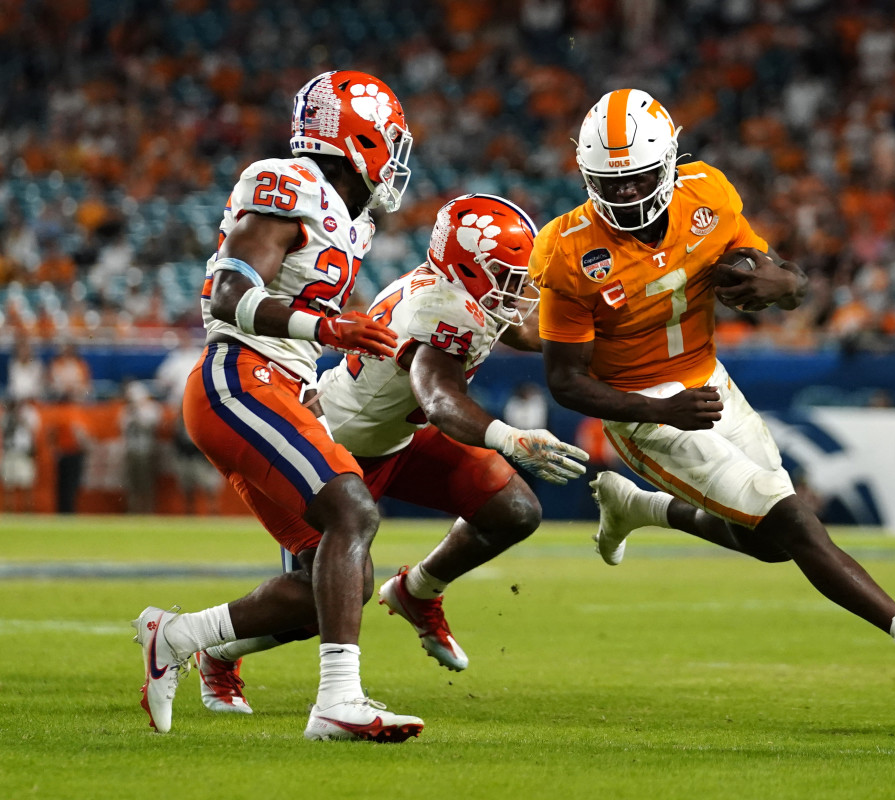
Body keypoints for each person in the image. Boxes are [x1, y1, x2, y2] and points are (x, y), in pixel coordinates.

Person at [530, 89, 895, 691]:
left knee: (771, 543)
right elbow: (565, 382)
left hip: (708, 383)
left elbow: (792, 284)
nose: (627, 196)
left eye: (638, 180)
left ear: (668, 164)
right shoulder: (567, 250)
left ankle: (639, 507)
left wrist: (780, 281)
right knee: (794, 522)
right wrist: (658, 408)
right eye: (611, 184)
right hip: (644, 410)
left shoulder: (708, 197)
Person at [186, 195, 587, 714]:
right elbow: (441, 401)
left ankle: (417, 590)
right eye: (508, 275)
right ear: (469, 269)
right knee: (320, 601)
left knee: (513, 510)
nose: (520, 288)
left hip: (397, 436)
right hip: (335, 446)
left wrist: (601, 324)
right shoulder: (439, 308)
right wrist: (510, 438)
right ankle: (217, 651)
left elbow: (528, 329)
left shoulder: (466, 289)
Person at [132, 70, 424, 742]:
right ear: (359, 139)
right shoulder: (287, 181)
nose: (395, 159)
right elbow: (227, 291)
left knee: (332, 581)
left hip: (281, 386)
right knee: (353, 508)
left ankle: (175, 637)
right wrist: (327, 328)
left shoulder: (351, 219)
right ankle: (336, 704)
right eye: (388, 141)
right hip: (238, 377)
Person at [120, 381, 163, 514]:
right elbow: (122, 427)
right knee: (132, 482)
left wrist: (137, 413)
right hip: (131, 450)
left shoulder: (152, 408)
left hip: (147, 450)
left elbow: (150, 425)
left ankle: (147, 509)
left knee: (147, 482)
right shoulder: (127, 410)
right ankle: (134, 509)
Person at [1, 397, 40, 512]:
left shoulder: (30, 414)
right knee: (9, 484)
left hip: (24, 452)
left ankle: (28, 509)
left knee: (26, 483)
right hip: (10, 451)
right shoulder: (7, 415)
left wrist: (22, 419)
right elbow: (5, 431)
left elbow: (34, 431)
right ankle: (9, 509)